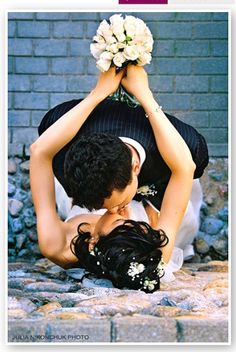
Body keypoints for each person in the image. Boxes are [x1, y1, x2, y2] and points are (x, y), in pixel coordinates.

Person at [30, 65, 207, 292]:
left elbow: (39, 152)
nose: (120, 211)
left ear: (94, 241)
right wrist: (144, 94)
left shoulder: (57, 246)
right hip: (154, 204)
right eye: (133, 223)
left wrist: (98, 93)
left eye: (117, 220)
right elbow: (184, 168)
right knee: (176, 211)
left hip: (98, 180)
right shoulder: (152, 252)